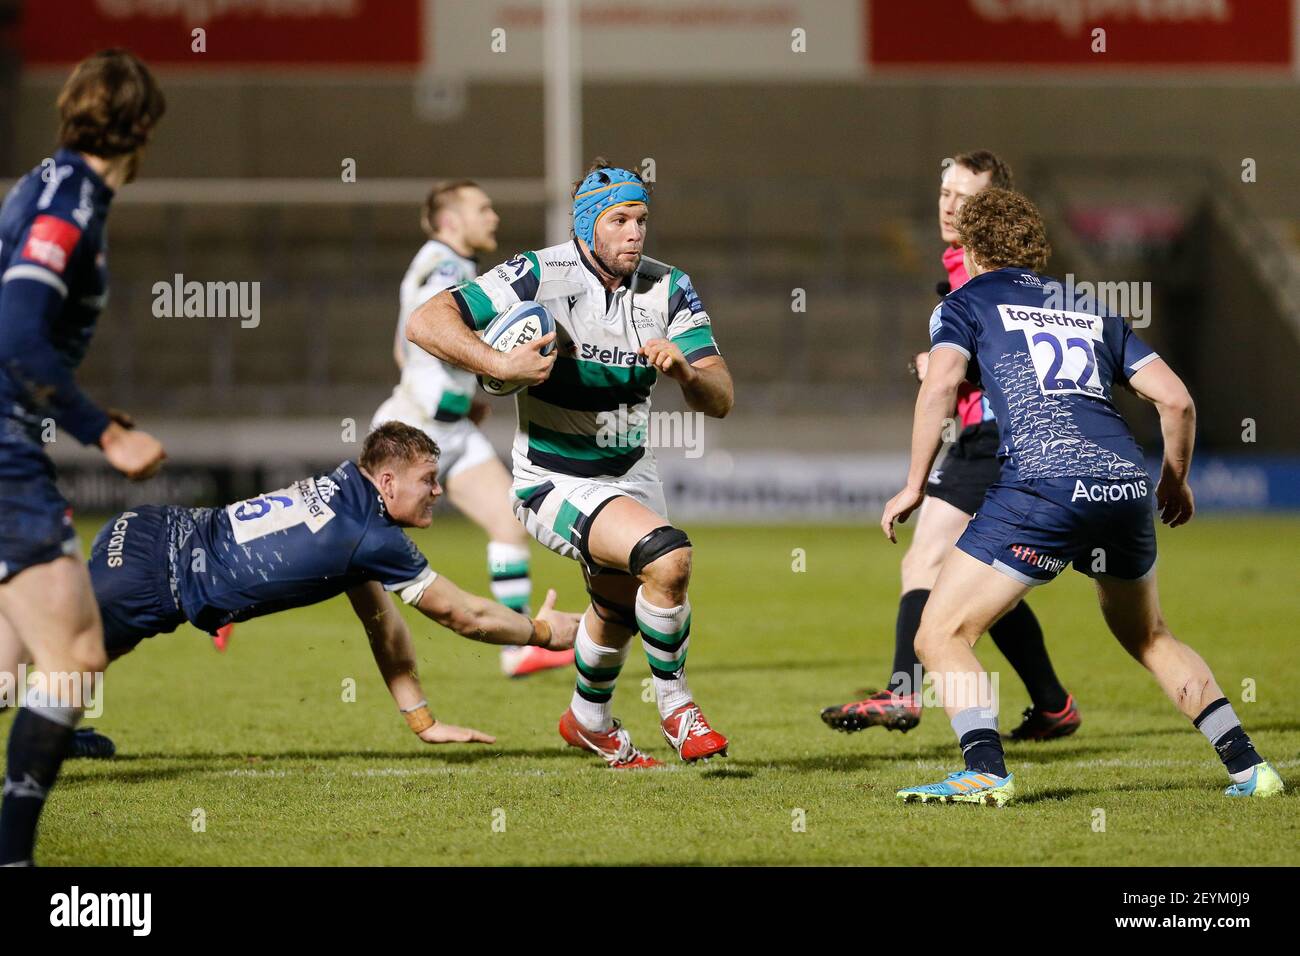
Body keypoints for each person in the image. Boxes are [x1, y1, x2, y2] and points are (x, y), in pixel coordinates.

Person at [881, 187, 1283, 805]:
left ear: (973, 247)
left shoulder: (965, 302)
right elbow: (1176, 400)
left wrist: (913, 484)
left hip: (1043, 483)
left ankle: (984, 771)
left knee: (939, 634)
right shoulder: (1090, 307)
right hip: (1124, 482)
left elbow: (940, 388)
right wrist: (1173, 479)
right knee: (1150, 636)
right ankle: (1250, 768)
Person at [406, 159, 733, 768]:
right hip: (552, 479)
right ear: (587, 229)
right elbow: (425, 320)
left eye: (641, 219)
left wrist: (687, 370)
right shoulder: (538, 273)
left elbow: (721, 398)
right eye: (619, 221)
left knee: (614, 607)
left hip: (632, 473)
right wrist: (499, 364)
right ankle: (677, 706)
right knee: (669, 557)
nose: (635, 233)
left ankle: (587, 721)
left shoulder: (669, 287)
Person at [0, 422, 581, 757]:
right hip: (155, 577)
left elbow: (381, 621)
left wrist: (422, 722)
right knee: (24, 652)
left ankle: (50, 732)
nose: (437, 492)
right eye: (428, 482)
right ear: (386, 481)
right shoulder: (368, 535)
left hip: (151, 529)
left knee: (86, 650)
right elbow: (462, 615)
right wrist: (543, 632)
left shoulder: (348, 493)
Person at [823, 150, 1080, 742]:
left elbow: (1018, 362)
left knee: (925, 556)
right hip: (991, 435)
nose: (949, 205)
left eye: (964, 198)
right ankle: (1052, 704)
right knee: (994, 580)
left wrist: (950, 370)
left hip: (995, 436)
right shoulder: (966, 269)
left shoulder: (987, 277)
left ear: (993, 210)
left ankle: (904, 692)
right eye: (944, 193)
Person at [0, 49, 168, 866]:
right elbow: (17, 333)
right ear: (139, 127)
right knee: (74, 659)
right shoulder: (69, 196)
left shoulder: (53, 186)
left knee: (30, 656)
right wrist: (105, 434)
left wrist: (87, 406)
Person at [372, 180, 572, 679]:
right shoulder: (445, 267)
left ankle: (517, 645)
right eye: (482, 208)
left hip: (451, 428)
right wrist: (496, 364)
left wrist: (464, 396)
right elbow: (424, 339)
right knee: (350, 546)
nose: (494, 217)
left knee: (509, 522)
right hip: (412, 431)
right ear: (450, 222)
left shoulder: (452, 268)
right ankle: (234, 589)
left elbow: (404, 349)